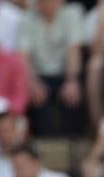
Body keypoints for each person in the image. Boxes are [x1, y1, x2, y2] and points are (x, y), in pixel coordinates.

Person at [20, 0, 87, 136]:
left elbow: (73, 50)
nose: (47, 4)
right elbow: (23, 56)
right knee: (38, 101)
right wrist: (32, 82)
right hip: (39, 75)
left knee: (72, 96)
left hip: (66, 73)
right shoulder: (27, 19)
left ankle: (73, 141)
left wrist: (72, 80)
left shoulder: (72, 13)